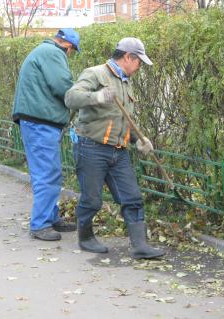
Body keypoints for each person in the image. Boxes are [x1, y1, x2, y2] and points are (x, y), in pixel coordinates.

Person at [65, 37, 165, 259]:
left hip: (118, 152)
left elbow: (122, 118)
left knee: (132, 197)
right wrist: (97, 96)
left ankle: (139, 245)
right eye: (139, 62)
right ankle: (86, 237)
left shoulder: (125, 82)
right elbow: (70, 98)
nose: (139, 67)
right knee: (92, 200)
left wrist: (137, 140)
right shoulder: (95, 73)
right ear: (128, 57)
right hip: (91, 147)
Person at [12, 28, 80, 241]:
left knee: (49, 172)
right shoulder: (53, 53)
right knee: (47, 174)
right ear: (68, 46)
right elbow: (64, 87)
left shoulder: (43, 51)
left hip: (37, 121)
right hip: (40, 123)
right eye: (72, 52)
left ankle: (51, 217)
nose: (70, 56)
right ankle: (40, 224)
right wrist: (85, 97)